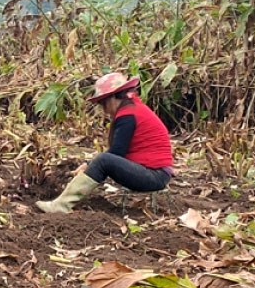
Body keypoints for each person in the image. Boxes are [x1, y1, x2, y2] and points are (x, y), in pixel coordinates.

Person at [35, 72, 174, 214]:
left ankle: (62, 205)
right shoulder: (133, 110)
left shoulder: (128, 115)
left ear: (115, 97)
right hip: (156, 172)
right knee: (102, 160)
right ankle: (63, 202)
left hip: (155, 176)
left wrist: (91, 165)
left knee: (103, 160)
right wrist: (89, 165)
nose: (104, 109)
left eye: (104, 103)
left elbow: (116, 153)